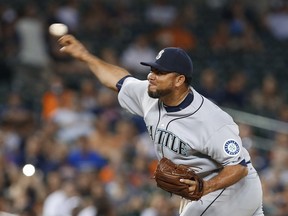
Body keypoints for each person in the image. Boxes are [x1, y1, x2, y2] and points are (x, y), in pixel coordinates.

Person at [58, 35, 264, 216]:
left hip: (231, 188)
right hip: (205, 190)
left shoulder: (211, 120)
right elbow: (118, 80)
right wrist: (85, 56)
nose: (151, 76)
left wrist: (205, 187)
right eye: (152, 69)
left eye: (160, 72)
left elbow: (239, 167)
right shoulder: (149, 95)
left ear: (179, 80)